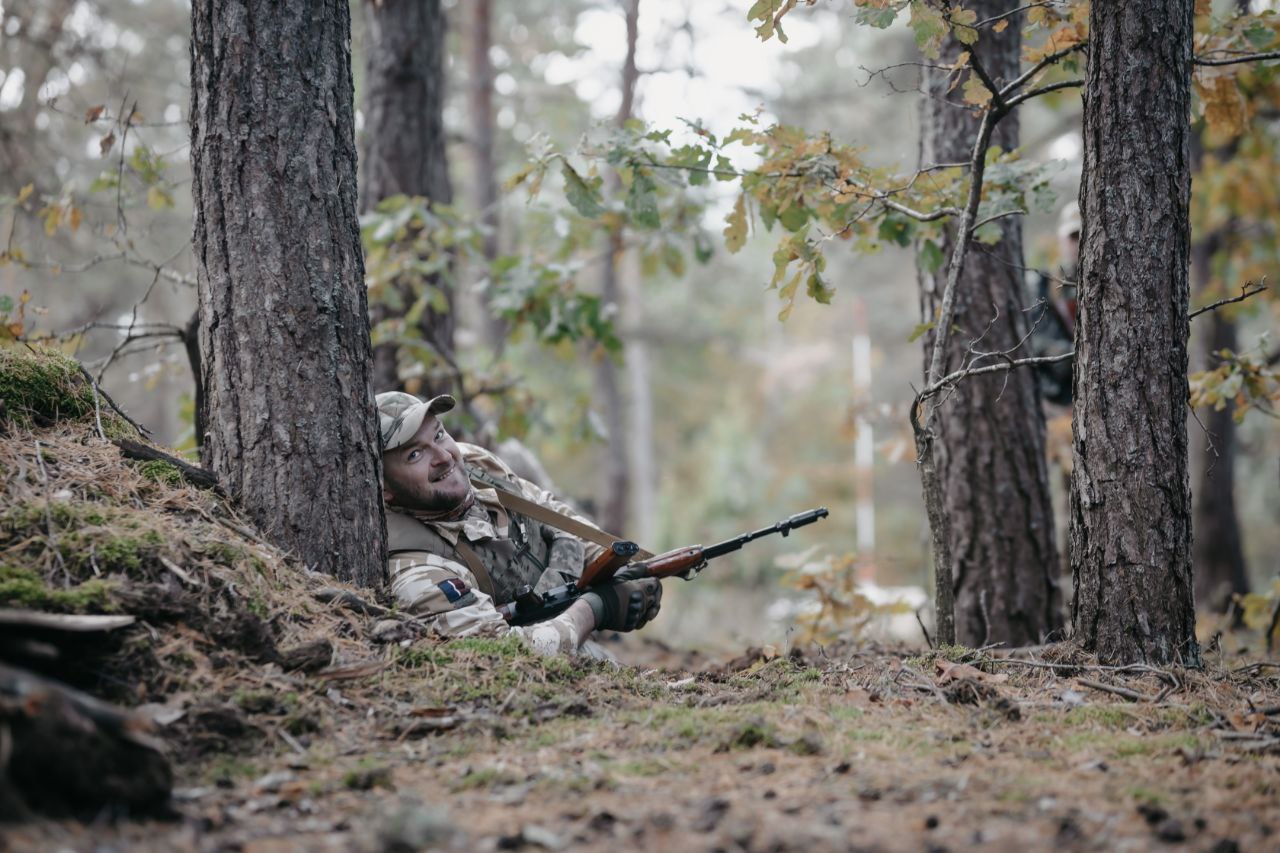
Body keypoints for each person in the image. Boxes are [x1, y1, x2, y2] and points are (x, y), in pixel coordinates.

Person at [377, 391, 662, 656]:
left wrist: (622, 569)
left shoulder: (477, 466)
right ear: (384, 487)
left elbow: (553, 513)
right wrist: (597, 609)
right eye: (414, 455)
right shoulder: (414, 567)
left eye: (439, 435)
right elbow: (507, 653)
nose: (443, 458)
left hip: (577, 649)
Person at [1026, 201, 1080, 406]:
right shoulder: (1042, 286)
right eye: (1073, 236)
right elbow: (1033, 343)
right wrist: (1062, 353)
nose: (1079, 243)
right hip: (1057, 401)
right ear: (1061, 240)